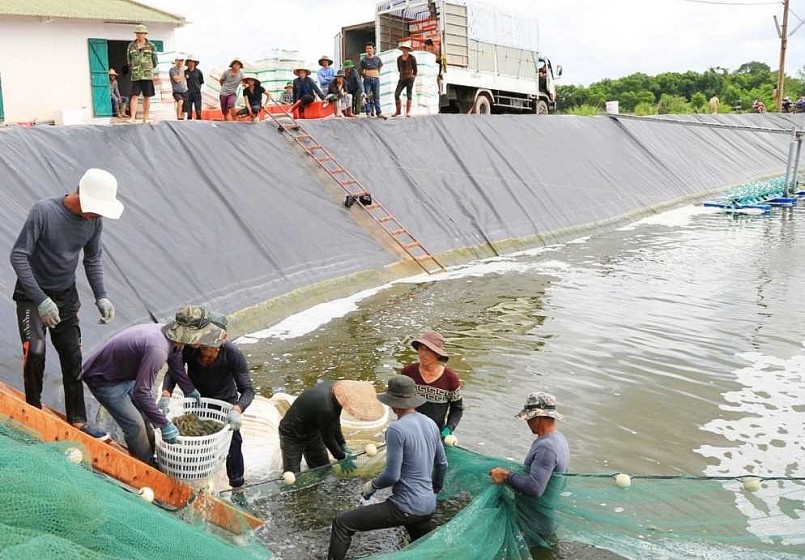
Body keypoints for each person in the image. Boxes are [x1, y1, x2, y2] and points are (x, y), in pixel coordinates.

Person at [9, 168, 124, 440]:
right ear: (82, 197)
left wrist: (101, 296)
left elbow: (92, 259)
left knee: (73, 357)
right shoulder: (44, 212)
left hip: (65, 296)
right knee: (35, 352)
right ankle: (33, 410)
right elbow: (19, 256)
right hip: (32, 294)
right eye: (96, 209)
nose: (98, 215)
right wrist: (40, 300)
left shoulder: (94, 222)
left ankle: (79, 420)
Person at [80, 306, 223, 465]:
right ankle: (145, 466)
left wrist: (189, 389)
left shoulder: (174, 338)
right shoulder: (157, 350)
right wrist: (164, 424)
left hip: (123, 375)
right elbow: (142, 393)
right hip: (104, 380)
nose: (203, 338)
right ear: (188, 331)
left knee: (147, 415)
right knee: (136, 426)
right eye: (201, 333)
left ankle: (149, 456)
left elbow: (175, 363)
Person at [327, 375, 448, 560]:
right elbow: (442, 464)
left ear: (393, 403)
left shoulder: (396, 429)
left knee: (343, 523)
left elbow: (392, 475)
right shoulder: (430, 423)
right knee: (423, 546)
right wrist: (434, 489)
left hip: (405, 507)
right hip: (428, 505)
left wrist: (372, 486)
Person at [161, 311, 254, 490]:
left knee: (233, 441)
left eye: (211, 350)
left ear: (222, 343)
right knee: (192, 439)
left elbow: (248, 390)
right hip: (195, 399)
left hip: (224, 402)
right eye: (203, 348)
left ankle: (237, 486)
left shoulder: (233, 354)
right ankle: (191, 481)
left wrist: (237, 409)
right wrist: (166, 393)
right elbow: (174, 371)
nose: (206, 354)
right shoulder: (190, 348)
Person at [489, 392, 570, 548]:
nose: (527, 422)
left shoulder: (547, 447)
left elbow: (535, 488)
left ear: (539, 417)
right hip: (543, 517)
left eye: (529, 418)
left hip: (534, 523)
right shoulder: (558, 439)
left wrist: (506, 476)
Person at [279, 379, 383, 474]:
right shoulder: (326, 408)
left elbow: (335, 422)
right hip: (292, 434)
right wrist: (341, 457)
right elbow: (328, 439)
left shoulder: (336, 390)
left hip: (313, 431)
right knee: (292, 476)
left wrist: (342, 444)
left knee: (323, 469)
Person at [401, 330, 463, 440]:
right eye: (421, 349)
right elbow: (399, 401)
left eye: (429, 350)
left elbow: (457, 409)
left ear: (438, 353)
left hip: (436, 434)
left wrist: (448, 429)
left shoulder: (450, 378)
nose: (423, 354)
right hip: (409, 432)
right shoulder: (408, 373)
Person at [126, 24, 158, 123]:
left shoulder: (151, 46)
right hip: (136, 75)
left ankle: (146, 117)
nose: (139, 35)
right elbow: (128, 60)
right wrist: (134, 67)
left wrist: (148, 68)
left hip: (147, 75)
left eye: (141, 33)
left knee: (147, 96)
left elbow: (155, 61)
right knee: (134, 96)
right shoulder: (131, 46)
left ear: (145, 34)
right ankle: (132, 117)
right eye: (137, 33)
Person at [393, 41, 417, 117]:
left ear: (408, 50)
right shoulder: (399, 58)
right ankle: (398, 110)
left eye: (406, 49)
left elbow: (415, 69)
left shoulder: (412, 58)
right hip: (402, 78)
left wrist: (413, 76)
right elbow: (398, 69)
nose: (404, 50)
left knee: (409, 94)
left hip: (410, 78)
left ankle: (408, 111)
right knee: (397, 94)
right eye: (403, 49)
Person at [360, 42, 383, 117]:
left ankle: (378, 112)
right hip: (367, 79)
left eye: (370, 48)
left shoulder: (377, 59)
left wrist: (375, 74)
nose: (368, 50)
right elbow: (362, 70)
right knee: (367, 96)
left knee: (376, 96)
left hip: (376, 79)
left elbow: (379, 68)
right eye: (367, 48)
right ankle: (368, 111)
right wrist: (367, 76)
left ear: (373, 49)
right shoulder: (363, 59)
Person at [184, 54, 204, 120]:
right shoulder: (185, 72)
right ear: (187, 63)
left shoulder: (199, 72)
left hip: (197, 93)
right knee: (189, 113)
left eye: (193, 62)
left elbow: (201, 82)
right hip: (188, 94)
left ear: (195, 63)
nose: (191, 63)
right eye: (190, 62)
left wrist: (198, 89)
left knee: (198, 112)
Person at [169, 55, 187, 120]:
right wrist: (182, 73)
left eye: (182, 60)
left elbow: (187, 77)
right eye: (179, 60)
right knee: (180, 101)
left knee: (184, 107)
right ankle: (178, 117)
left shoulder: (184, 69)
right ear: (176, 61)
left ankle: (182, 119)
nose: (180, 62)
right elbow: (176, 79)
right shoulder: (172, 69)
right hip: (176, 91)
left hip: (184, 90)